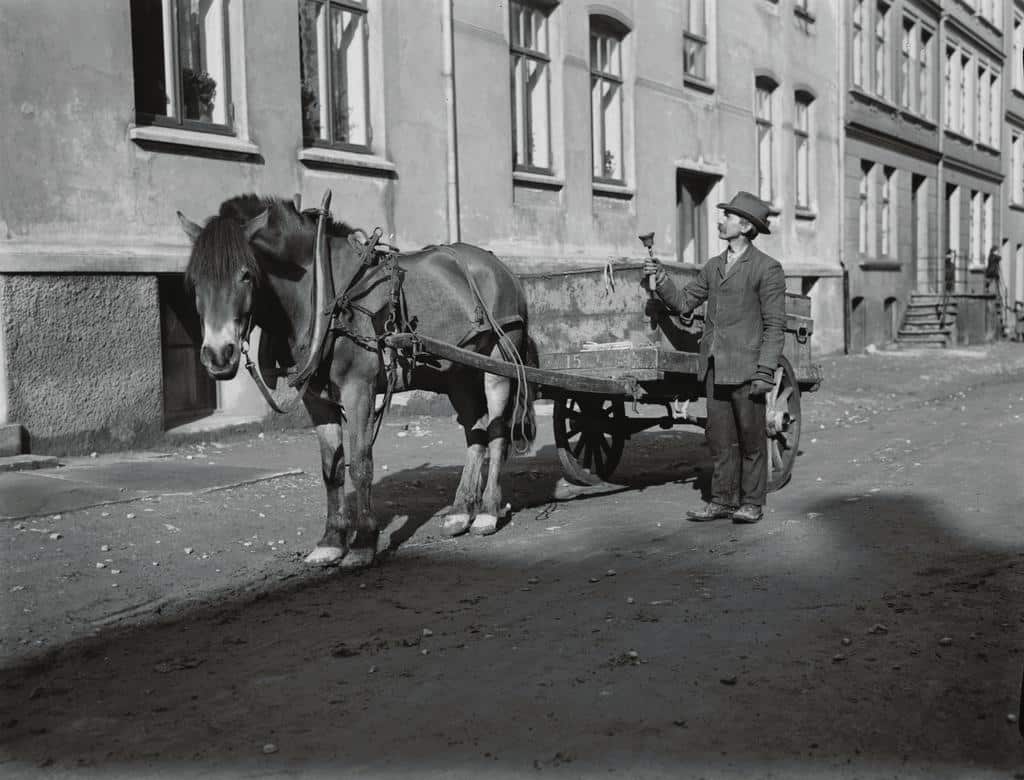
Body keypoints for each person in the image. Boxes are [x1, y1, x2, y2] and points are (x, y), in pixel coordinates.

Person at [642, 191, 786, 524]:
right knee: (720, 440)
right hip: (714, 367)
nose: (721, 221)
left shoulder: (767, 269)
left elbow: (775, 326)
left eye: (729, 217)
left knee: (751, 439)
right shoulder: (713, 267)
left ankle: (751, 502)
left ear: (747, 227)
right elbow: (683, 303)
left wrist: (765, 371)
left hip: (748, 368)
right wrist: (661, 277)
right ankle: (722, 500)